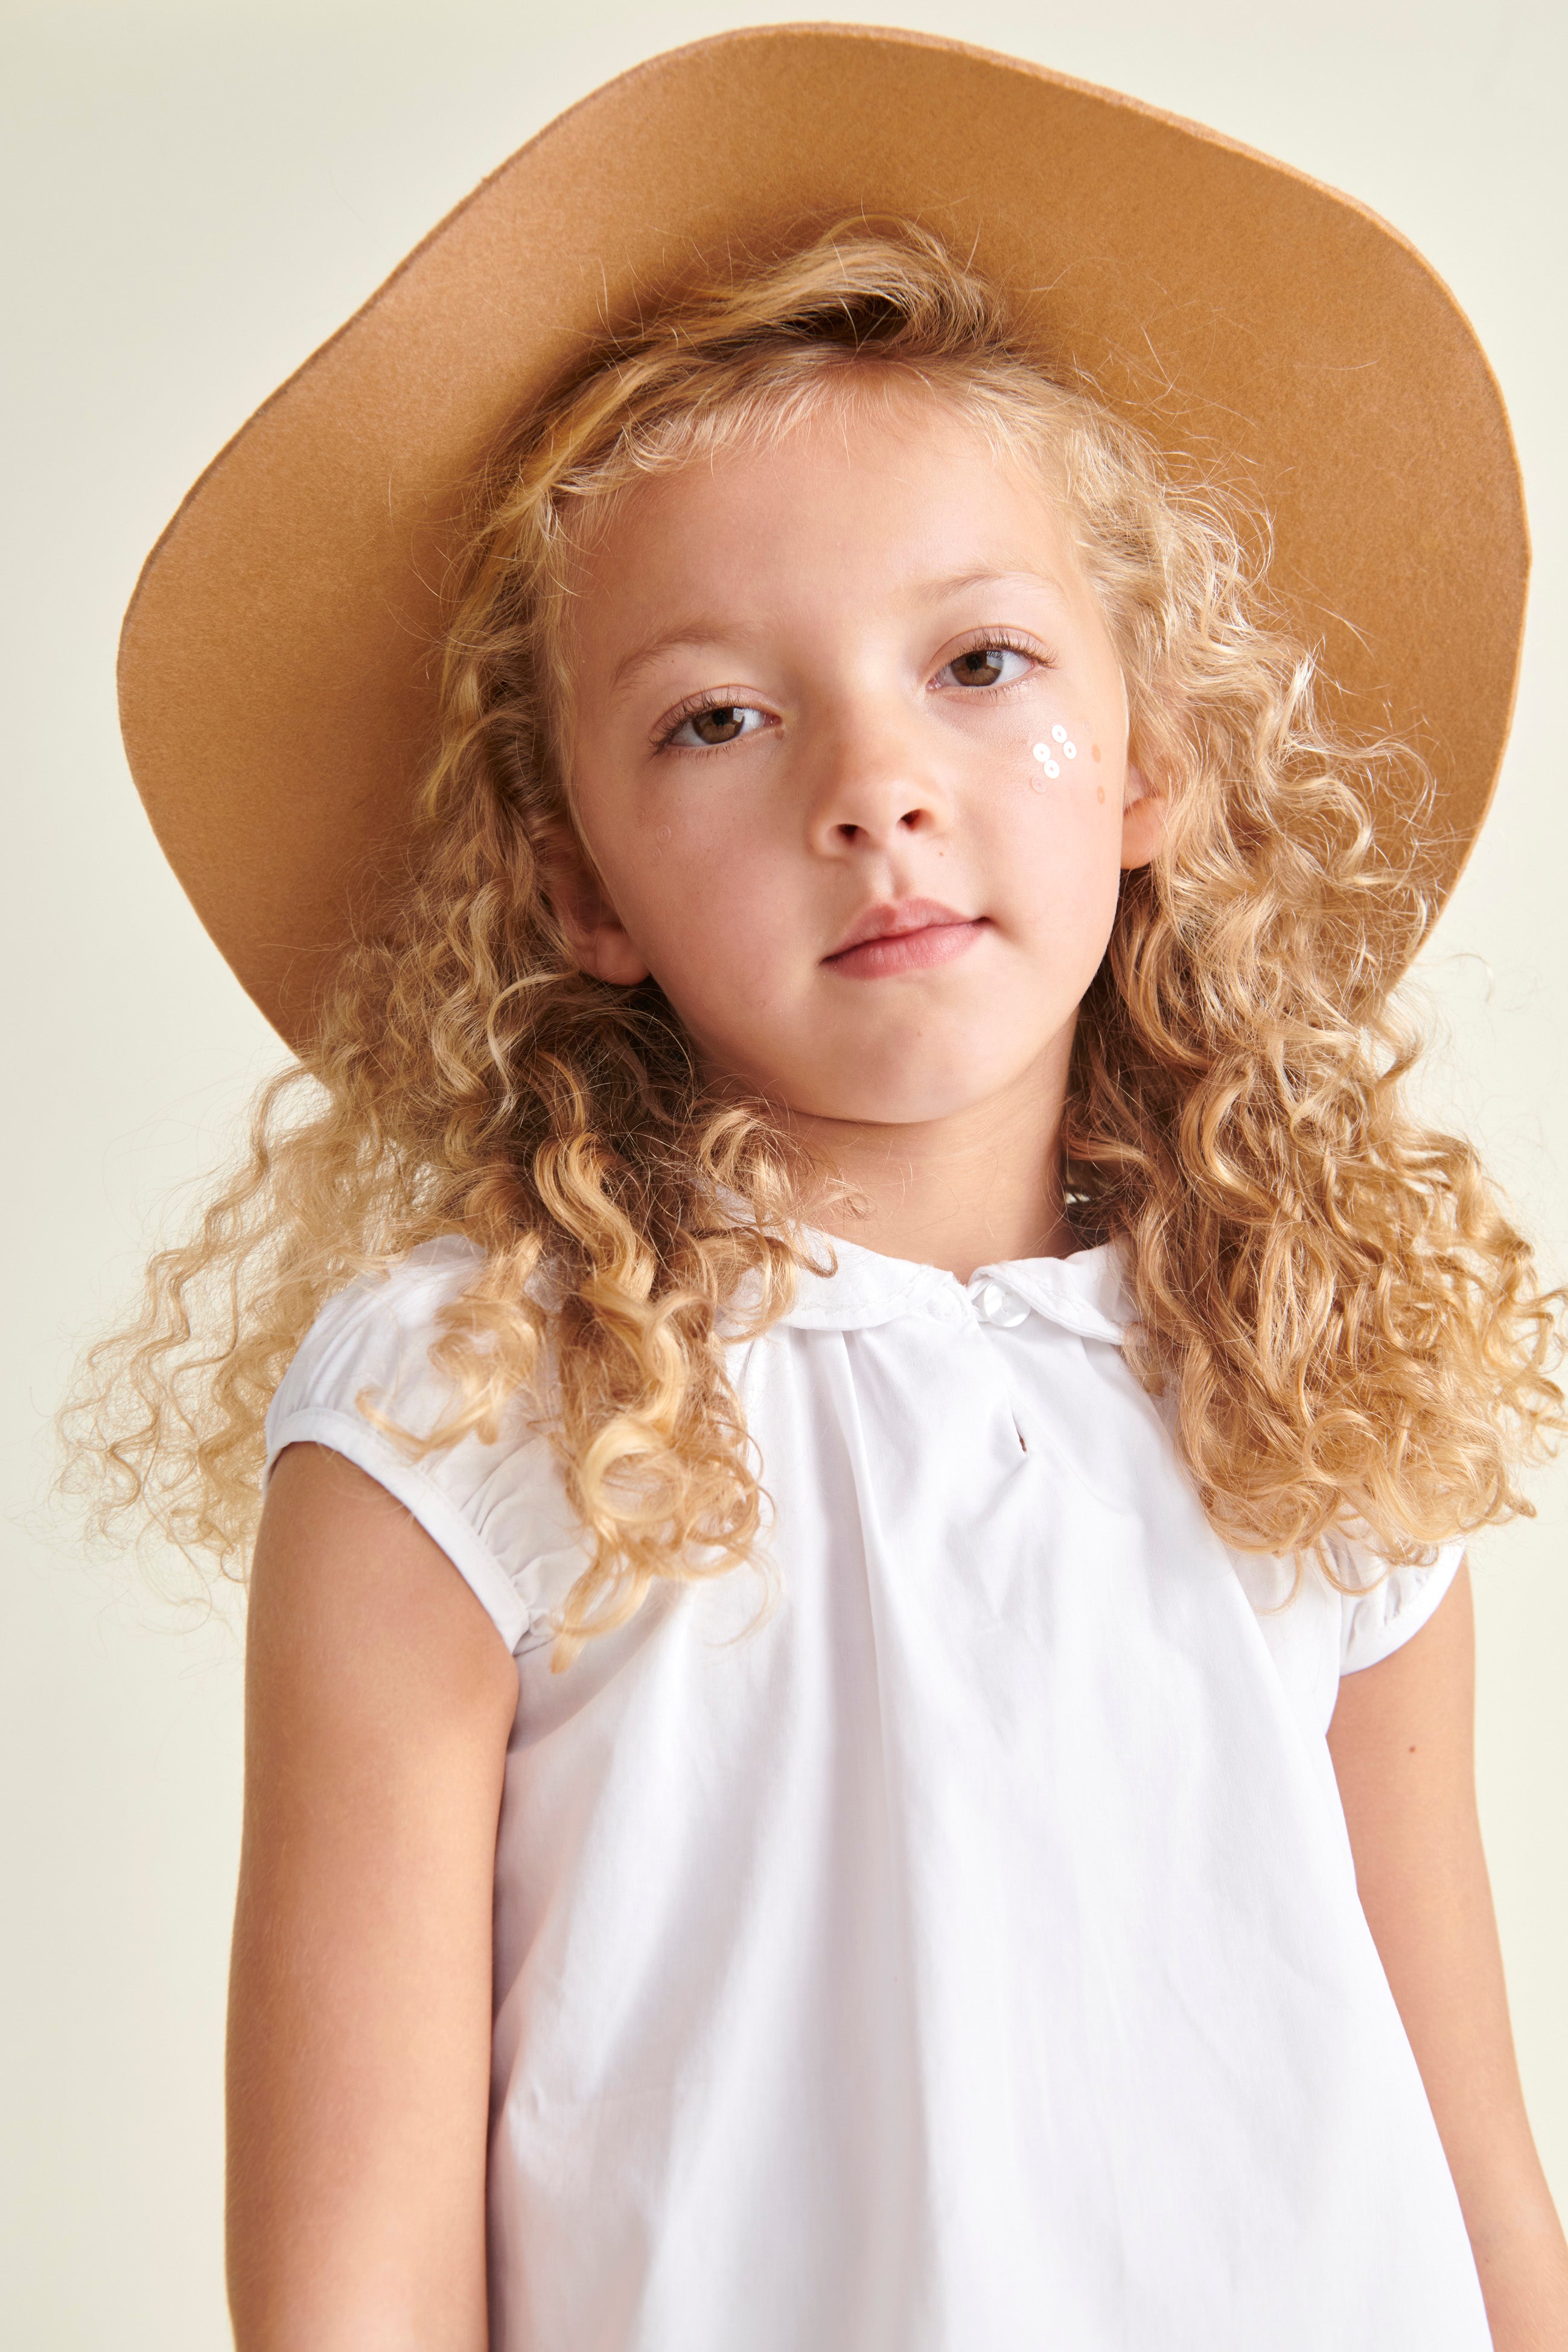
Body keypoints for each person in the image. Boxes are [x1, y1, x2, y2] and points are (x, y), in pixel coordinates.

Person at [71, 27, 1567, 2352]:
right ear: (574, 882)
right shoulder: (470, 1404)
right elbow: (353, 2274)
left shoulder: (1311, 1393)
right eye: (717, 718)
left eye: (980, 662)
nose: (876, 784)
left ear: (1153, 754)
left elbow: (1479, 2174)